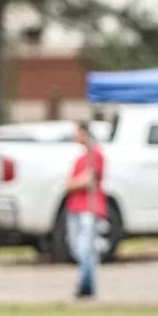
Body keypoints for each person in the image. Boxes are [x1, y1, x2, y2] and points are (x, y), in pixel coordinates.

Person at [63, 121, 108, 299]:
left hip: (89, 207)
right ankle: (85, 282)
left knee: (86, 247)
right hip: (75, 206)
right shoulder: (81, 158)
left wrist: (72, 184)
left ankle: (86, 285)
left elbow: (88, 180)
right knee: (78, 248)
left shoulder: (95, 154)